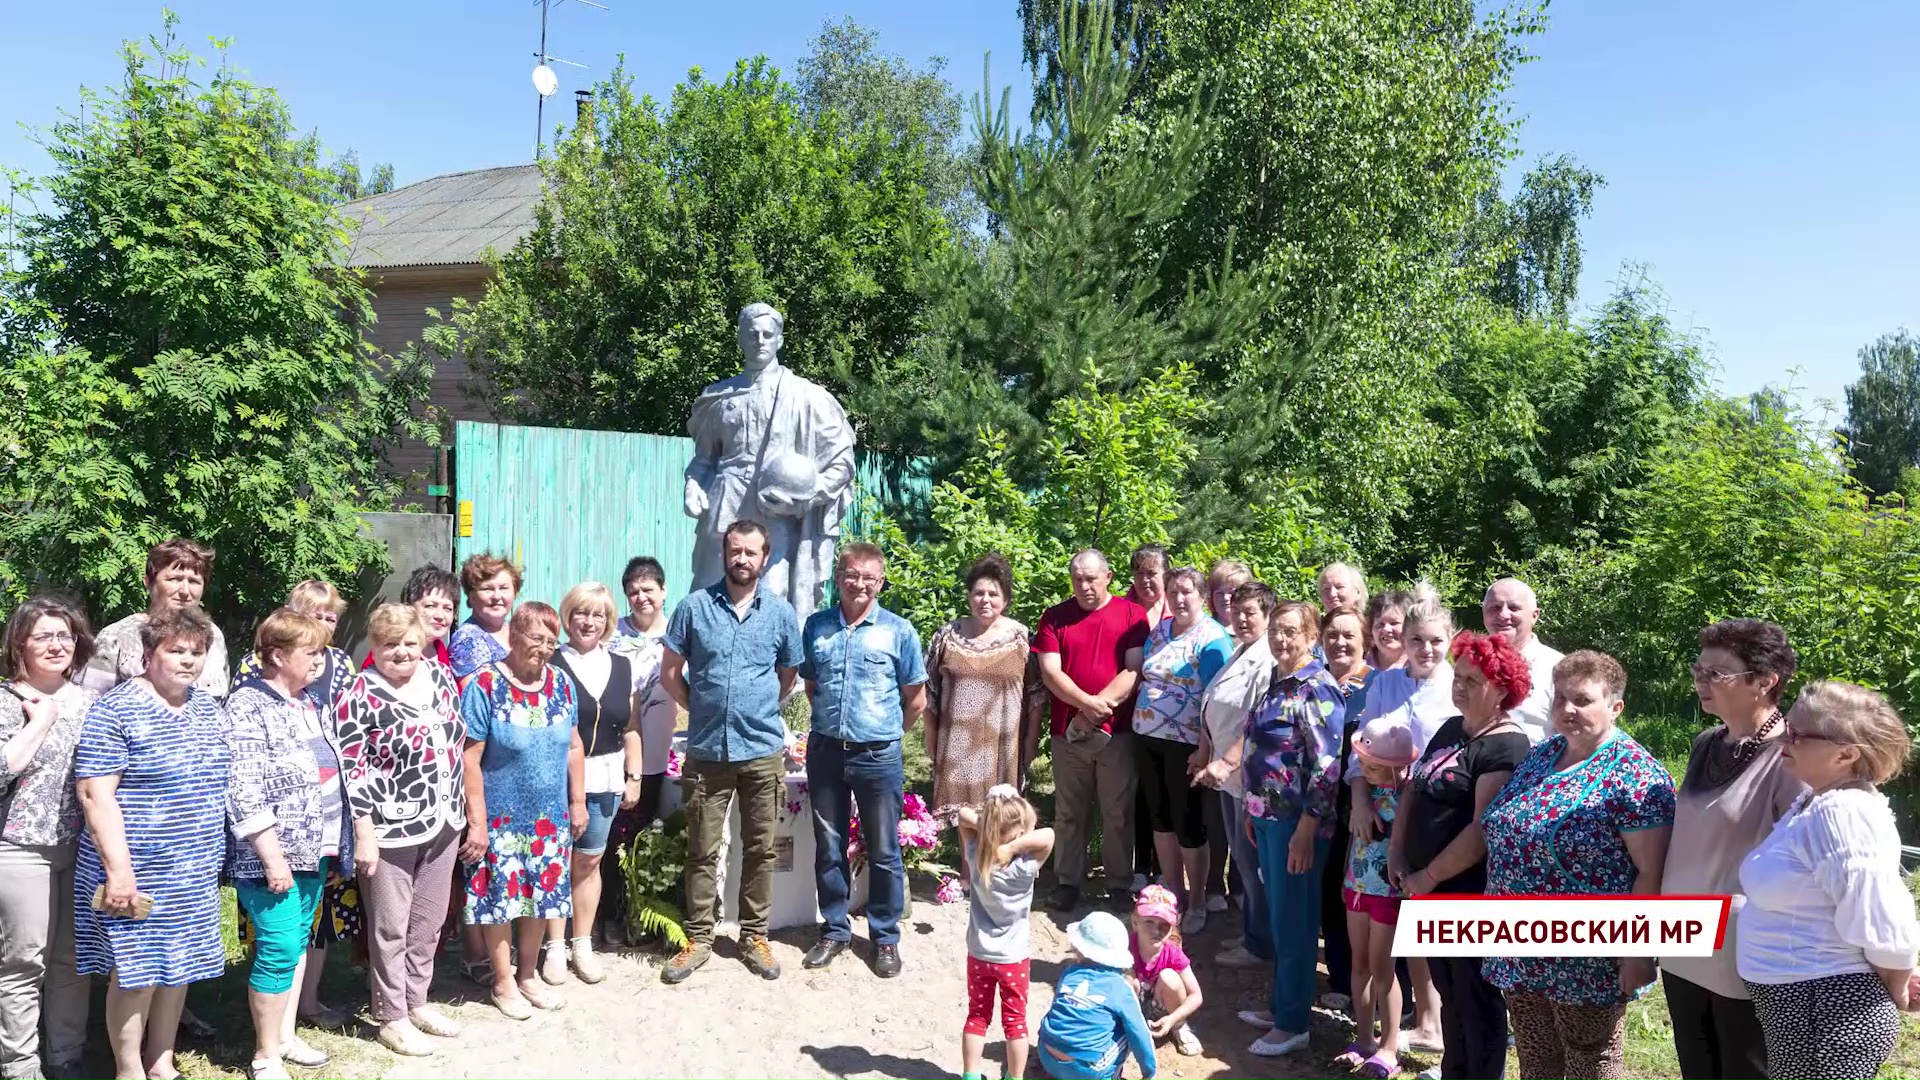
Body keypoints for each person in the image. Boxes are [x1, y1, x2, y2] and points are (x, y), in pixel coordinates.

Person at [1481, 650, 1676, 1080]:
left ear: (1616, 706)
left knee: (1591, 1060)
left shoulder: (1637, 775)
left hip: (1586, 952)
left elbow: (1651, 872)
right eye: (1560, 699)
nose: (1568, 710)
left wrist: (1638, 952)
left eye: (1583, 700)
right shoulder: (1543, 754)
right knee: (1536, 1056)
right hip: (1519, 943)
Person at [72, 607, 231, 1080]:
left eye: (196, 652)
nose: (187, 660)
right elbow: (95, 794)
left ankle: (160, 1060)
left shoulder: (206, 707)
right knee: (136, 974)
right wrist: (118, 871)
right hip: (136, 867)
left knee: (179, 966)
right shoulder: (116, 709)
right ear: (148, 654)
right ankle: (128, 1070)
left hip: (194, 866)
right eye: (175, 650)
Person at [1737, 681, 1920, 1080]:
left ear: (1846, 754)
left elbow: (1883, 918)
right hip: (1808, 1007)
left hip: (1827, 1012)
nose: (1785, 735)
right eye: (1788, 724)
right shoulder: (1814, 800)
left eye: (1800, 734)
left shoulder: (1843, 813)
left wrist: (1897, 980)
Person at [225, 610, 369, 1080]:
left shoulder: (307, 702)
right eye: (312, 652)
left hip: (315, 849)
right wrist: (272, 858)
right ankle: (265, 1055)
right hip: (275, 856)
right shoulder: (248, 705)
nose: (321, 661)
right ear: (277, 655)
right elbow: (243, 791)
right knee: (280, 948)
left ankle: (285, 1037)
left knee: (296, 944)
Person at [659, 519, 803, 985]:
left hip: (762, 750)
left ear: (765, 558)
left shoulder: (781, 614)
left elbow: (788, 676)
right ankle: (699, 937)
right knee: (702, 848)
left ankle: (753, 936)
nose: (742, 559)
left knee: (761, 849)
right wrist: (698, 706)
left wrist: (758, 710)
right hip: (706, 749)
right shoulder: (694, 608)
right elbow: (670, 672)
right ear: (724, 554)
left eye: (751, 552)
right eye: (735, 551)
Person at [1660, 618, 1804, 1080]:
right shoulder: (1707, 743)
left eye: (1715, 673)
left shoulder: (1793, 756)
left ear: (1765, 682)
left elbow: (1806, 862)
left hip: (1744, 951)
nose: (1700, 681)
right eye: (1697, 669)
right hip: (1682, 939)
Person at [1389, 631, 1534, 1080]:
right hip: (1424, 885)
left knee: (1477, 1000)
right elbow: (1414, 788)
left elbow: (1481, 831)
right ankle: (1454, 1071)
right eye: (1459, 676)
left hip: (1467, 890)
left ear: (1502, 688)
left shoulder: (1507, 746)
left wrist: (1427, 876)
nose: (1460, 686)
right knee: (1449, 992)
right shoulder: (1454, 727)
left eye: (1473, 680)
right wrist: (1397, 854)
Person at [335, 603, 466, 1056]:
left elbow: (455, 743)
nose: (402, 652)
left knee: (428, 922)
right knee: (390, 927)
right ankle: (391, 1015)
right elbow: (353, 768)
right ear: (374, 647)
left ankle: (417, 1001)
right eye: (391, 644)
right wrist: (364, 832)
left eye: (410, 642)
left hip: (445, 819)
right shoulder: (359, 693)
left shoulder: (441, 677)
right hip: (389, 829)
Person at [800, 543, 929, 978]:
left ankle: (885, 937)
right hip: (826, 753)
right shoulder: (816, 627)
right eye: (852, 575)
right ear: (839, 576)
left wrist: (885, 736)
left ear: (881, 582)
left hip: (878, 756)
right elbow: (813, 687)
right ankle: (834, 930)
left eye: (869, 577)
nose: (859, 584)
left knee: (885, 849)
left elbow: (916, 700)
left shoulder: (899, 631)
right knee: (829, 845)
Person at [683, 302, 856, 615]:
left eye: (767, 334)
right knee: (708, 602)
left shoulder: (807, 396)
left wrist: (808, 497)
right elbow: (703, 460)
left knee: (771, 603)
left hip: (777, 515)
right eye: (752, 334)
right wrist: (693, 485)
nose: (760, 340)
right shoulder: (719, 397)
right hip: (724, 510)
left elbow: (842, 461)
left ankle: (775, 666)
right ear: (740, 338)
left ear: (780, 340)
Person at [458, 602, 587, 1018]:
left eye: (552, 641)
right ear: (513, 636)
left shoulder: (563, 684)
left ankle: (528, 975)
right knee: (501, 900)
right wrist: (476, 822)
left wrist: (578, 802)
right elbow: (469, 758)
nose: (545, 648)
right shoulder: (483, 684)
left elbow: (574, 746)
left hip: (549, 819)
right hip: (500, 820)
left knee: (540, 899)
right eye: (536, 638)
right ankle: (503, 981)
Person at [1238, 600, 1344, 1058]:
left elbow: (1326, 767)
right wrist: (1251, 808)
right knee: (1280, 919)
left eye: (1291, 631)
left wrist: (1306, 827)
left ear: (1312, 635)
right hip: (1266, 817)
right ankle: (1282, 1004)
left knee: (1296, 922)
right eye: (1276, 630)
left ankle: (1294, 1023)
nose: (1280, 639)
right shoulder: (1279, 681)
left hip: (1296, 825)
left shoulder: (1318, 688)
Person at [1349, 585, 1452, 1055]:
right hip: (1381, 813)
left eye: (1435, 640)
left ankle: (1438, 1020)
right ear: (1404, 641)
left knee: (1427, 915)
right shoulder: (1384, 682)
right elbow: (1361, 745)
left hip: (1434, 812)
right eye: (1417, 640)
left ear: (1449, 639)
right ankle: (1413, 1018)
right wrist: (1359, 799)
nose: (1426, 649)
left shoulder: (1455, 687)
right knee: (1395, 912)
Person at [0, 597, 98, 1080]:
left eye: (65, 635)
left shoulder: (88, 701)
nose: (57, 645)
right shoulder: (5, 698)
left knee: (72, 958)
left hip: (79, 849)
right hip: (18, 847)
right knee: (24, 959)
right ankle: (20, 1065)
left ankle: (66, 1055)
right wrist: (39, 723)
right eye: (44, 636)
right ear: (20, 642)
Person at [1034, 549, 1150, 912]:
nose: (1084, 585)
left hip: (1118, 733)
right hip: (1068, 734)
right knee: (1070, 811)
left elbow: (1134, 670)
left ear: (1109, 577)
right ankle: (1068, 881)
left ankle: (1117, 884)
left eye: (1091, 578)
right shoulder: (1054, 617)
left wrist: (1096, 709)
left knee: (1118, 811)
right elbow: (1051, 673)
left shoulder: (1132, 614)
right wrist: (1085, 706)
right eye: (1077, 579)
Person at [549, 582, 645, 985]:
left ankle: (582, 943)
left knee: (588, 862)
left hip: (606, 776)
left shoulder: (623, 665)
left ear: (608, 622)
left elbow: (632, 726)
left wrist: (634, 776)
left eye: (598, 615)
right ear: (567, 617)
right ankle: (553, 948)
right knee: (554, 862)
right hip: (557, 776)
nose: (588, 622)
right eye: (581, 613)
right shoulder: (552, 662)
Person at [1130, 567, 1231, 932]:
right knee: (1160, 819)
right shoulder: (1160, 631)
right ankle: (1173, 894)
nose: (1179, 598)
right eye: (1173, 591)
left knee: (1188, 822)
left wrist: (1205, 748)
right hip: (1148, 739)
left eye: (1187, 591)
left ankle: (1199, 899)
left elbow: (1216, 698)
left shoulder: (1213, 638)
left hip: (1187, 744)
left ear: (1202, 596)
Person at [925, 554, 1043, 829]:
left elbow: (1037, 695)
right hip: (956, 747)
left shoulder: (1022, 638)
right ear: (969, 596)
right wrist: (931, 735)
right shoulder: (947, 636)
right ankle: (969, 874)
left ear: (1006, 599)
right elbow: (928, 691)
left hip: (1004, 747)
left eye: (993, 593)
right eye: (978, 593)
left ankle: (999, 873)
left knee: (1003, 821)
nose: (985, 600)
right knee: (965, 823)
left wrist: (1031, 740)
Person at [1193, 580, 1277, 969]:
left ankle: (1261, 944)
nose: (1242, 618)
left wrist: (1225, 760)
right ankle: (1253, 933)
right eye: (1238, 611)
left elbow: (1255, 722)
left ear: (1268, 616)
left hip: (1249, 778)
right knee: (1243, 863)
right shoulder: (1240, 652)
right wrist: (1206, 752)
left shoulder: (1267, 659)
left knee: (1251, 863)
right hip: (1227, 776)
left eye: (1251, 613)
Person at [1337, 718, 1416, 1080]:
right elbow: (1355, 838)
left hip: (1389, 893)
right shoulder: (1365, 793)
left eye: (1373, 767)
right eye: (1364, 765)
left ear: (1399, 766)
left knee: (1384, 970)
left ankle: (1390, 1045)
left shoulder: (1410, 795)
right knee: (1359, 964)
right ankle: (1364, 1039)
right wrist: (1345, 877)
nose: (1366, 772)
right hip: (1358, 886)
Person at [957, 786, 1055, 1080]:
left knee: (977, 1016)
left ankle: (971, 1075)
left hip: (979, 954)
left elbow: (963, 816)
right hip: (1013, 958)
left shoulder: (976, 856)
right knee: (1015, 1023)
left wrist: (987, 826)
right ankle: (1014, 1077)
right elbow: (1048, 836)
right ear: (1021, 832)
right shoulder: (1026, 866)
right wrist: (1012, 847)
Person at [82, 537, 230, 699]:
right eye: (175, 579)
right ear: (148, 583)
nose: (185, 591)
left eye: (194, 581)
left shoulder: (213, 635)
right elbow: (91, 701)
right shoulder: (116, 637)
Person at [1318, 604, 1372, 1012]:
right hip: (1317, 805)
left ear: (1365, 640)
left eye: (1349, 635)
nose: (1340, 642)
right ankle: (1339, 978)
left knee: (1364, 897)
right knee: (1328, 893)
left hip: (1361, 805)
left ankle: (1384, 991)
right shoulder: (1313, 682)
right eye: (1332, 634)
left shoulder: (1376, 686)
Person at [1038, 910, 1158, 1080]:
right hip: (1085, 1070)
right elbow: (1139, 1033)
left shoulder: (1070, 973)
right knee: (1127, 1029)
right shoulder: (1120, 987)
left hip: (1046, 1054)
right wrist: (1149, 1072)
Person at [1124, 545, 1169, 897]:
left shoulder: (1179, 611)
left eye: (1152, 573)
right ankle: (1140, 866)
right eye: (1139, 573)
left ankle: (1166, 868)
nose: (1145, 580)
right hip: (1129, 714)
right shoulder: (1123, 610)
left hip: (1172, 721)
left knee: (1164, 792)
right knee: (1138, 791)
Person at [235, 580, 352, 709]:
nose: (323, 625)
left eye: (330, 619)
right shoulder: (257, 661)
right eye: (316, 617)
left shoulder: (341, 661)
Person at [1481, 578, 1562, 744]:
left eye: (1514, 608)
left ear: (1534, 616)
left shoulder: (1559, 669)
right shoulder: (1471, 664)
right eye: (1495, 608)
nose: (1503, 615)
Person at [1128, 885, 1205, 1056]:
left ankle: (1179, 1027)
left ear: (1172, 926)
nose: (1156, 930)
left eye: (1164, 924)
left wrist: (1173, 1019)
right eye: (1149, 922)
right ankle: (1126, 1024)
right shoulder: (1125, 946)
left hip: (1163, 1007)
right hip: (1133, 1005)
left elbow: (1196, 995)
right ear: (1135, 923)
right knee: (1125, 975)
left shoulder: (1172, 952)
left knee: (1170, 977)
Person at [361, 565, 459, 672]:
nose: (440, 616)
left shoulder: (439, 649)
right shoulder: (390, 652)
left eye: (447, 608)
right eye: (430, 606)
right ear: (409, 606)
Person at [448, 553, 519, 685]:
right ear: (471, 596)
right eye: (487, 589)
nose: (497, 596)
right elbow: (474, 696)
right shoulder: (467, 639)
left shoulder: (517, 631)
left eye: (504, 588)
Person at [1363, 588, 1415, 671]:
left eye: (1394, 623)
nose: (1386, 629)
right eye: (1380, 625)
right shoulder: (1359, 666)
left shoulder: (1421, 666)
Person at [1205, 560, 1253, 625]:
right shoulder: (1203, 630)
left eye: (1232, 593)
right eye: (1220, 593)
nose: (1225, 598)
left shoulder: (1256, 630)